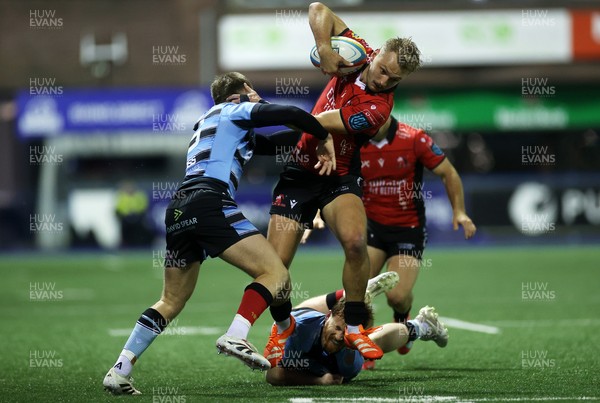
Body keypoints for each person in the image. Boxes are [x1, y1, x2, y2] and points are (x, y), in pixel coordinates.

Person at [102, 72, 336, 395]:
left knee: (170, 300)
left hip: (179, 209)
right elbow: (290, 114)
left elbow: (277, 139)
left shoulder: (209, 123)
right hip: (209, 201)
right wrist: (323, 133)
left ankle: (120, 369)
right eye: (251, 89)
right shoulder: (233, 110)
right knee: (274, 272)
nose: (255, 94)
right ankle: (237, 334)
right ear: (238, 94)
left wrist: (313, 137)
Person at [264, 1, 423, 366]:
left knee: (355, 244)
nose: (383, 80)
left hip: (340, 175)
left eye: (393, 79)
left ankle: (353, 325)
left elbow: (323, 120)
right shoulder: (359, 51)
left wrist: (321, 134)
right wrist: (324, 48)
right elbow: (319, 8)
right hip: (300, 174)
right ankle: (281, 328)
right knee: (274, 268)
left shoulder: (379, 108)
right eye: (383, 70)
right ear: (377, 52)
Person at [303, 115, 476, 368]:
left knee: (397, 296)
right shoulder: (354, 142)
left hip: (408, 230)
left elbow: (448, 172)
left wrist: (459, 211)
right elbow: (328, 177)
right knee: (358, 293)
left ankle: (403, 317)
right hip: (371, 228)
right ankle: (363, 345)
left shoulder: (415, 139)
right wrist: (316, 212)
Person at [265, 271, 448, 386]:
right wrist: (318, 380)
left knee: (374, 341)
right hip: (302, 319)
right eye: (337, 327)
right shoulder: (299, 331)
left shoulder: (347, 365)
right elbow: (273, 375)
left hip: (329, 351)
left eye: (345, 332)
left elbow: (277, 376)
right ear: (327, 316)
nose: (338, 336)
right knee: (296, 312)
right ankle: (351, 294)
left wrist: (322, 378)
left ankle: (423, 325)